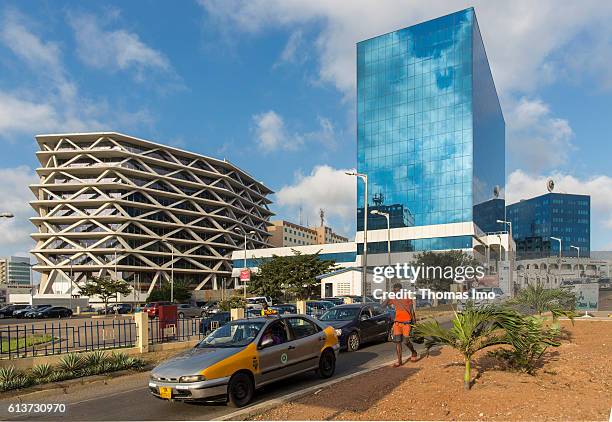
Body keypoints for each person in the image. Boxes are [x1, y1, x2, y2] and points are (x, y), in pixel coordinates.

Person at [382, 282, 418, 367]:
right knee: (398, 342)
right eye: (394, 291)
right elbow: (383, 305)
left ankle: (413, 352)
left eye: (397, 290)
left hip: (407, 323)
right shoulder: (393, 298)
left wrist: (414, 323)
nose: (396, 292)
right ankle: (399, 361)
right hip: (397, 323)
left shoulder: (407, 298)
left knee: (406, 341)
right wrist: (389, 296)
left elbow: (412, 311)